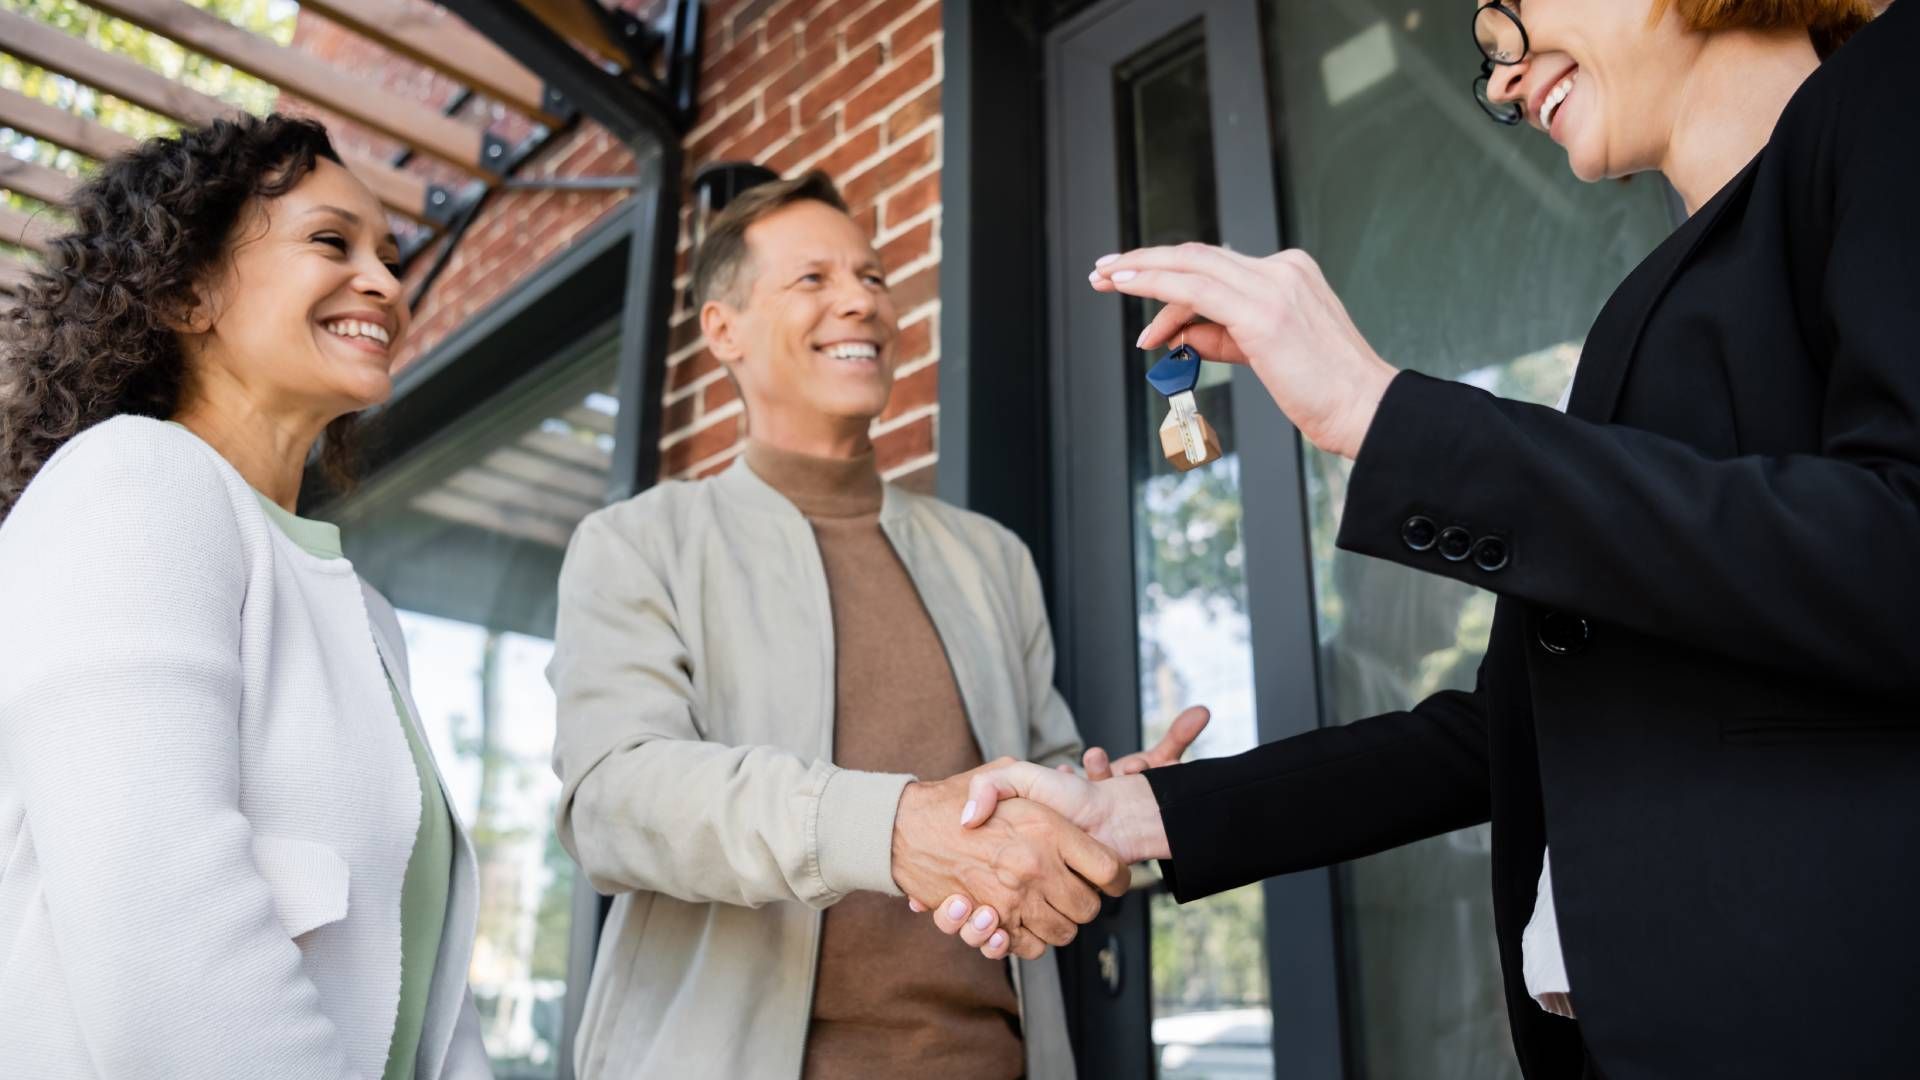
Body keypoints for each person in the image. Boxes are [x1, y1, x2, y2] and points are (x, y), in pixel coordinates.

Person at [933, 1, 1920, 1077]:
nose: (1497, 81)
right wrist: (1135, 813)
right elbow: (1501, 736)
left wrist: (1380, 411)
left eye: (1507, 15)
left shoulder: (1893, 90)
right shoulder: (1648, 312)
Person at [544, 170, 1206, 1079]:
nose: (859, 301)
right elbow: (615, 801)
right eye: (812, 280)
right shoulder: (636, 543)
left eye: (874, 279)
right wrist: (890, 827)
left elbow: (1045, 785)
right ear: (722, 330)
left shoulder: (992, 560)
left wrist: (1104, 820)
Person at [0, 115, 491, 1079]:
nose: (387, 284)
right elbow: (160, 933)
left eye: (390, 258)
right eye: (329, 242)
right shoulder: (134, 480)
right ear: (188, 291)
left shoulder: (367, 617)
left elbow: (427, 988)